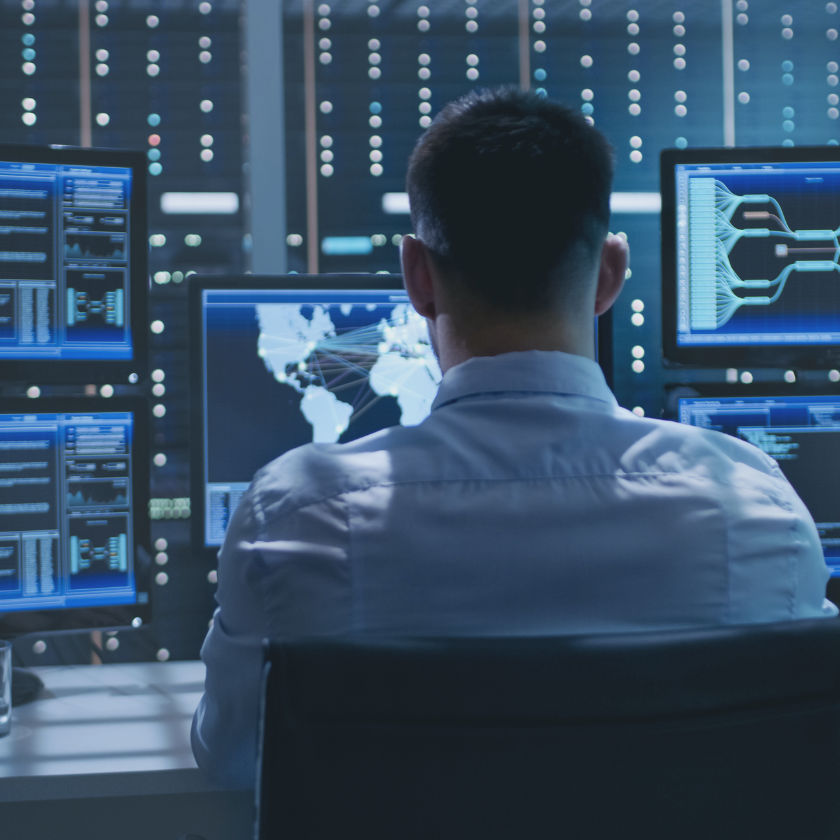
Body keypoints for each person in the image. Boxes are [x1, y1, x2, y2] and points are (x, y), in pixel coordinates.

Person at [191, 87, 837, 788]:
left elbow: (229, 757)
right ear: (611, 274)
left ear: (417, 275)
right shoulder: (754, 507)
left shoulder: (298, 515)